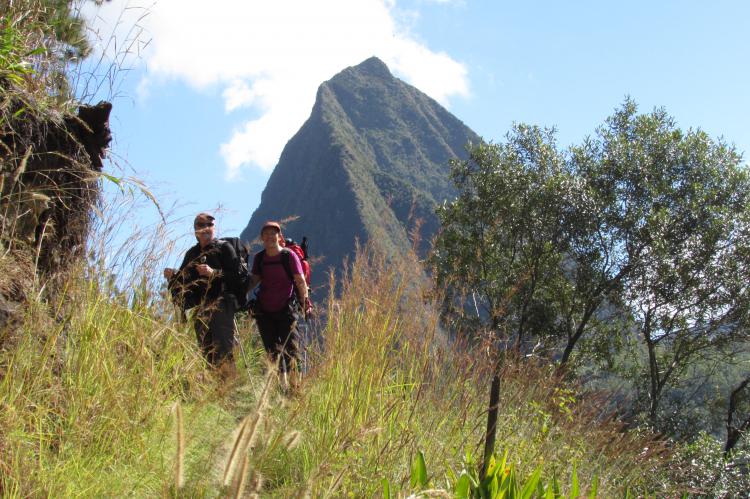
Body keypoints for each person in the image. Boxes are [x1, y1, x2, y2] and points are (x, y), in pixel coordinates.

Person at [164, 212, 241, 377]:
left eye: (209, 225)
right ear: (195, 231)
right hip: (200, 307)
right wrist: (173, 275)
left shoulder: (224, 248)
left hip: (221, 304)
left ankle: (229, 391)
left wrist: (213, 273)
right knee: (206, 350)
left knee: (223, 349)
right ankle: (215, 391)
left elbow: (237, 277)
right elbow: (185, 279)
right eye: (201, 225)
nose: (206, 228)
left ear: (214, 228)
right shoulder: (192, 253)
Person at [249, 221, 311, 387]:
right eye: (266, 233)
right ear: (262, 237)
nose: (270, 236)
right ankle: (281, 389)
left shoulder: (288, 256)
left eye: (273, 233)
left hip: (286, 310)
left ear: (279, 236)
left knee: (292, 350)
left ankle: (294, 388)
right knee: (272, 352)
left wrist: (305, 303)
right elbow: (254, 279)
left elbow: (300, 281)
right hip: (264, 311)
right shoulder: (259, 258)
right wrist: (239, 292)